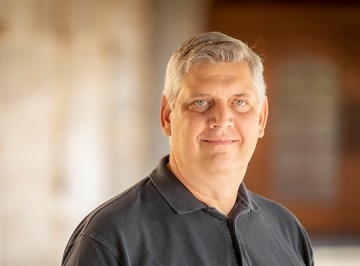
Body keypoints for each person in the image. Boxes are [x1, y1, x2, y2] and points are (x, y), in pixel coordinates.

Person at [62, 31, 314, 265]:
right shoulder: (110, 236)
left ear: (261, 118)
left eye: (239, 102)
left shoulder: (287, 229)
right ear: (167, 116)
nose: (222, 119)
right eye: (201, 102)